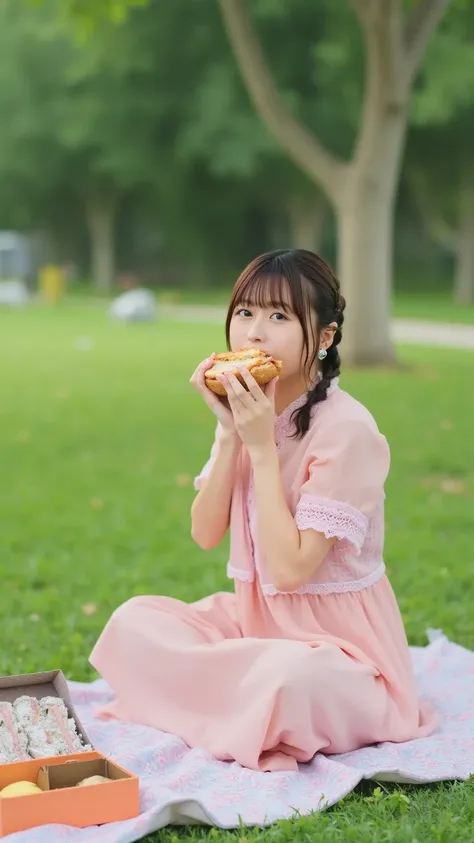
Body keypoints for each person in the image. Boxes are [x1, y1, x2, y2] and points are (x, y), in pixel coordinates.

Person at [89, 249, 436, 772]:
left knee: (285, 681)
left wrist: (262, 451)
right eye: (245, 313)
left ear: (323, 337)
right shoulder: (247, 411)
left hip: (340, 654)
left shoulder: (348, 431)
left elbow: (293, 570)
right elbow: (205, 533)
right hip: (256, 627)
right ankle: (232, 697)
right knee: (132, 623)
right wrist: (232, 435)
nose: (254, 333)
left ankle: (222, 699)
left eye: (279, 317)